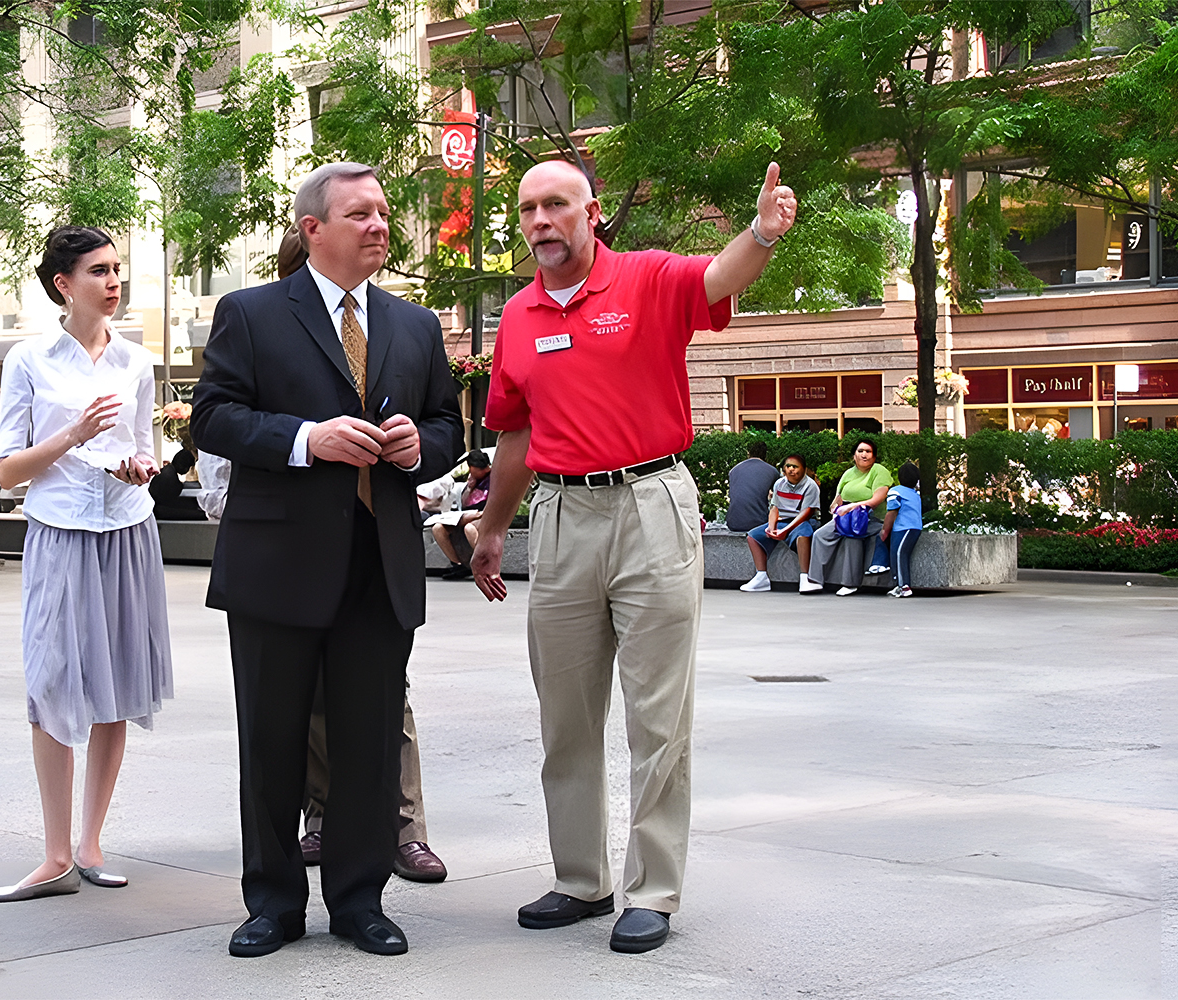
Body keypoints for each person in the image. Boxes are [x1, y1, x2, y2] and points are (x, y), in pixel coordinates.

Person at [468, 159, 798, 954]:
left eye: (557, 205)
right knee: (566, 714)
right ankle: (580, 879)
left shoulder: (647, 279)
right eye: (528, 210)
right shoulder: (516, 316)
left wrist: (762, 233)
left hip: (651, 505)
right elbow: (513, 436)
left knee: (658, 714)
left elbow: (721, 276)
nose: (541, 220)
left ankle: (653, 889)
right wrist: (490, 528)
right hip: (559, 514)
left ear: (592, 212)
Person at [190, 162, 463, 958]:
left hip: (379, 565)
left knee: (369, 742)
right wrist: (306, 440)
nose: (380, 225)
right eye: (360, 215)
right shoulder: (250, 313)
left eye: (383, 213)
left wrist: (423, 445)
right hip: (277, 566)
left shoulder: (414, 325)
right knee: (271, 742)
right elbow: (214, 418)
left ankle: (358, 900)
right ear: (314, 229)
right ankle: (273, 903)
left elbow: (448, 424)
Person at [0, 225, 173, 903]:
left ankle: (90, 845)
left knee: (116, 679)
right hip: (60, 529)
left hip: (128, 529)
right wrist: (74, 434)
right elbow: (8, 470)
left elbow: (143, 453)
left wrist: (139, 466)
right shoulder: (29, 359)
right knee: (54, 682)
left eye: (117, 269)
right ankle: (55, 853)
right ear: (64, 285)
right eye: (98, 271)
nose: (113, 281)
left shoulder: (136, 363)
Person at [807, 439, 893, 596]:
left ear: (874, 456)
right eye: (860, 451)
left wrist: (852, 506)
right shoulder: (848, 473)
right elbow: (839, 497)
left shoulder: (879, 471)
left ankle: (850, 583)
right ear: (854, 455)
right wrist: (835, 509)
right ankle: (815, 580)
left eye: (868, 451)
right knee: (820, 535)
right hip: (845, 515)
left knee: (852, 535)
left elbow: (876, 500)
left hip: (871, 518)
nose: (864, 455)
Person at [739, 453, 821, 594]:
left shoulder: (811, 486)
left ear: (804, 469)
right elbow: (774, 507)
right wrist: (771, 528)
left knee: (803, 535)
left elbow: (806, 513)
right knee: (753, 536)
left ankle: (805, 578)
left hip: (803, 521)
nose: (791, 470)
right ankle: (761, 577)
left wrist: (787, 530)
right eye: (788, 466)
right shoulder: (779, 483)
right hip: (782, 521)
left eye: (795, 467)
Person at [430, 449, 492, 579]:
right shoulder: (472, 480)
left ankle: (486, 565)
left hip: (486, 515)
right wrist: (469, 488)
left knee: (469, 528)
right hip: (468, 513)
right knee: (438, 528)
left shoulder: (494, 477)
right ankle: (458, 564)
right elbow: (464, 503)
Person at [871, 461, 924, 597]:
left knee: (900, 554)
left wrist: (884, 529)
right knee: (896, 554)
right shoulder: (915, 494)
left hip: (904, 528)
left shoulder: (895, 491)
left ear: (899, 477)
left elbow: (892, 512)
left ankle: (904, 586)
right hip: (914, 528)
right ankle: (897, 584)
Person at [725, 439, 778, 532]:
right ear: (766, 455)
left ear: (749, 454)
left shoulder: (734, 470)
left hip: (733, 523)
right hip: (759, 523)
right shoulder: (772, 471)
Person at [148, 448, 208, 520]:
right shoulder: (169, 475)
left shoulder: (168, 471)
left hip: (159, 508)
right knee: (199, 514)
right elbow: (171, 499)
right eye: (188, 467)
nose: (187, 470)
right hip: (160, 510)